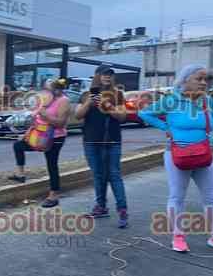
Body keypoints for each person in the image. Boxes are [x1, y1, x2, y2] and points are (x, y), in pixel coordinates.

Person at [139, 64, 213, 253]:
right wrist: (166, 128)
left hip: (203, 154)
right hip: (177, 156)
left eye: (205, 79)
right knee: (177, 197)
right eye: (198, 79)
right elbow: (145, 113)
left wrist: (208, 128)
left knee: (212, 197)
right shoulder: (171, 100)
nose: (203, 83)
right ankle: (178, 236)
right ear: (185, 80)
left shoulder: (207, 101)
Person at [75, 64, 129, 228]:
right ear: (96, 76)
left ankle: (122, 210)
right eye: (104, 74)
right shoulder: (86, 94)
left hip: (112, 141)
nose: (107, 77)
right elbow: (77, 115)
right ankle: (101, 206)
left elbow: (123, 117)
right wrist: (88, 103)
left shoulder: (117, 94)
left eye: (110, 74)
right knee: (98, 174)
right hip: (91, 141)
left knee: (114, 174)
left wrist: (108, 107)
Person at [8, 78, 71, 208]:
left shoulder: (63, 100)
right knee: (18, 145)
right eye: (45, 89)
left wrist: (45, 115)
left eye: (49, 88)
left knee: (51, 164)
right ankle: (20, 174)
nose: (46, 91)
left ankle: (54, 195)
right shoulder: (44, 100)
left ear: (56, 89)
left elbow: (61, 123)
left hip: (55, 137)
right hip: (39, 134)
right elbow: (36, 119)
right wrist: (27, 134)